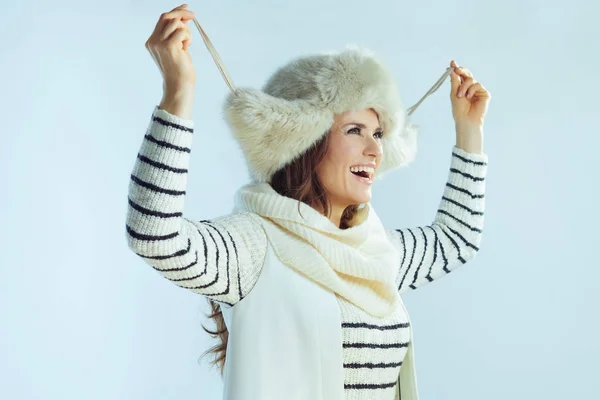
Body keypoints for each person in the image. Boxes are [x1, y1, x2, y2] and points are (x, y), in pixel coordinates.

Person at [126, 4, 491, 400]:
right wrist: (177, 93)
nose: (375, 150)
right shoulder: (253, 246)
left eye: (379, 133)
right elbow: (155, 235)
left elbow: (456, 240)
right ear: (305, 142)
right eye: (356, 131)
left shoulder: (374, 251)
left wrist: (469, 129)